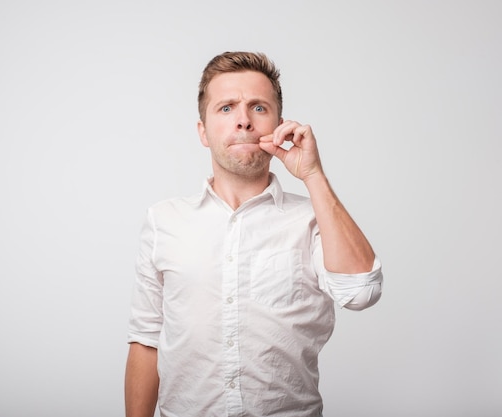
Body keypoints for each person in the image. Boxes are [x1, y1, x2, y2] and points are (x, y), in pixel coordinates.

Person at [124, 51, 383, 417]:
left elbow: (361, 292)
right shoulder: (163, 220)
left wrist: (313, 176)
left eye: (258, 108)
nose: (243, 121)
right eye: (226, 108)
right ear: (203, 130)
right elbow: (147, 339)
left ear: (279, 123)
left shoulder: (314, 219)